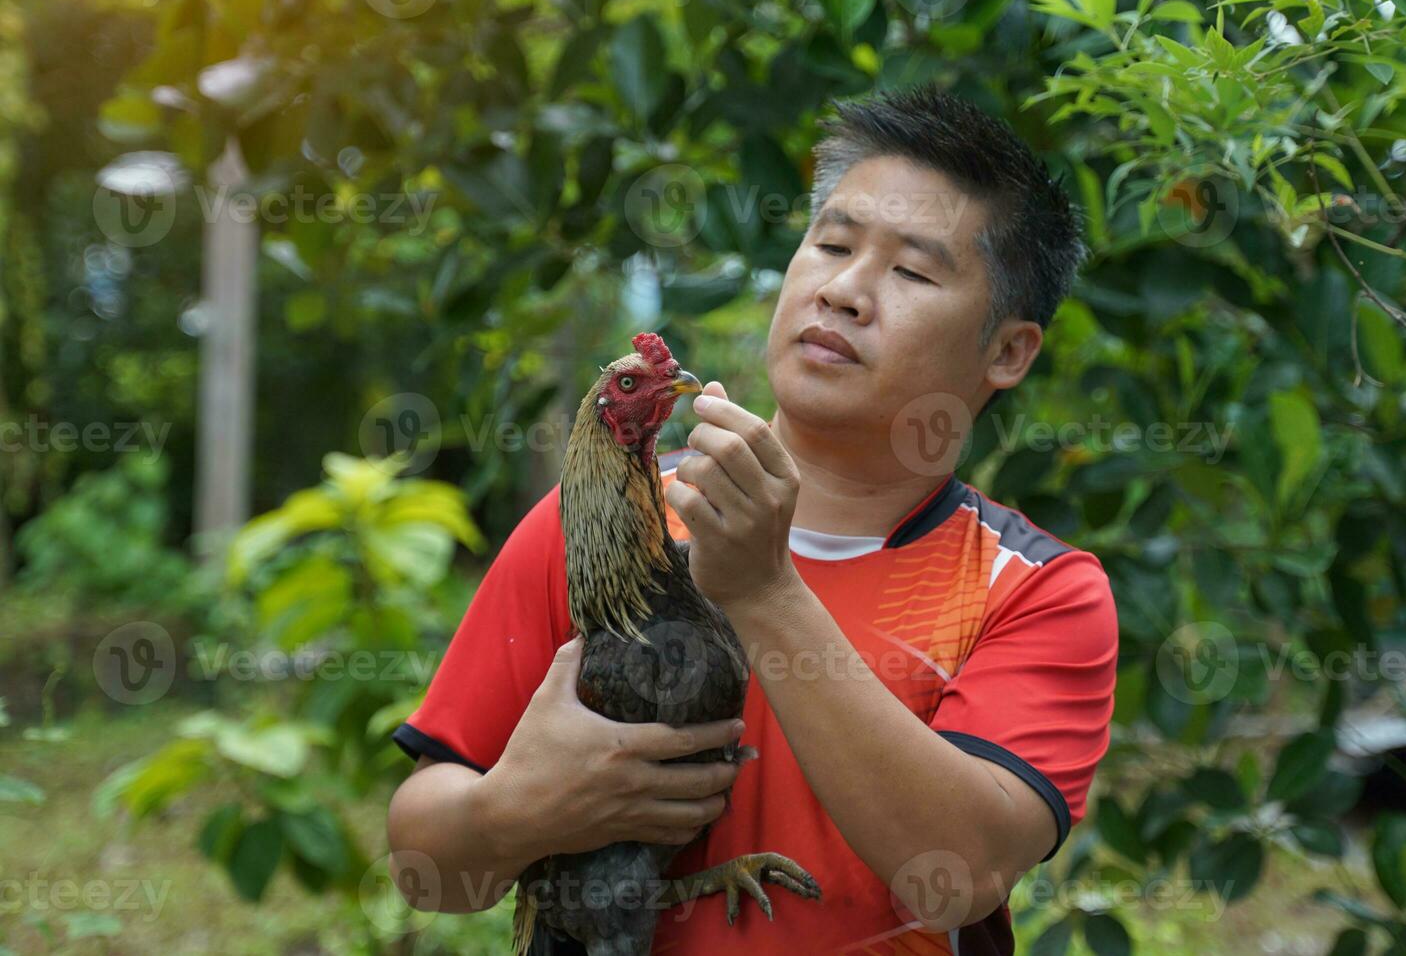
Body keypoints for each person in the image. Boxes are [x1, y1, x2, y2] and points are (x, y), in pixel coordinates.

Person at [386, 84, 1117, 956]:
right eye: (832, 243)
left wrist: (764, 590)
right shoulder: (600, 527)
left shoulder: (1036, 590)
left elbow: (958, 869)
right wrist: (512, 809)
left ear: (1007, 351)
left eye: (912, 271)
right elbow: (426, 865)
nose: (845, 289)